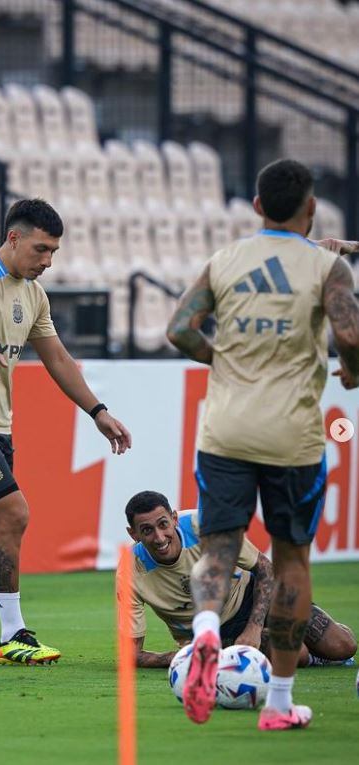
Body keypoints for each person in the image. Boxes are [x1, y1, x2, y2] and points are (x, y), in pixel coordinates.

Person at [166, 158, 359, 730]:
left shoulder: (224, 259)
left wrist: (224, 360)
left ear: (255, 207)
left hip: (225, 430)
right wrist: (351, 368)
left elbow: (179, 328)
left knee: (220, 547)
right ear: (310, 208)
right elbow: (349, 332)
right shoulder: (326, 267)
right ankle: (277, 702)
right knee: (292, 559)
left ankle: (204, 633)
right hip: (292, 437)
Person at [0, 198, 132, 665]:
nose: (48, 261)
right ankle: (13, 632)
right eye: (41, 249)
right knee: (14, 515)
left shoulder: (34, 295)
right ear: (14, 238)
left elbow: (57, 357)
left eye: (54, 252)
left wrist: (97, 411)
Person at [121, 491, 356, 669]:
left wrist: (254, 627)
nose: (159, 537)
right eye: (147, 530)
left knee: (343, 646)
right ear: (134, 534)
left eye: (163, 524)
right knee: (297, 654)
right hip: (214, 633)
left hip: (252, 593)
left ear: (173, 518)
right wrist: (177, 657)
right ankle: (304, 651)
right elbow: (131, 655)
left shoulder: (204, 526)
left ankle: (297, 632)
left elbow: (266, 568)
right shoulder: (129, 572)